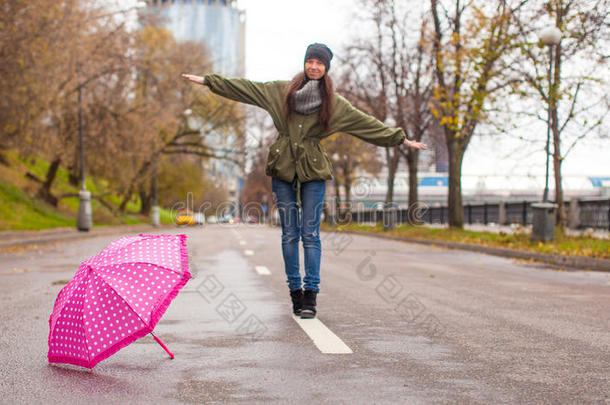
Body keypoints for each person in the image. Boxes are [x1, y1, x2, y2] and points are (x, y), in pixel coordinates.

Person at [182, 43, 426, 319]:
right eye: (310, 61)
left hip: (313, 170)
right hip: (283, 168)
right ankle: (295, 292)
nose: (314, 66)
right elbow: (246, 89)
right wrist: (208, 82)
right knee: (289, 233)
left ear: (326, 68)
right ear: (305, 63)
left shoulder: (335, 104)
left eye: (319, 63)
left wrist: (401, 139)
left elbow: (366, 124)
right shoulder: (280, 92)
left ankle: (310, 295)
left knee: (310, 233)